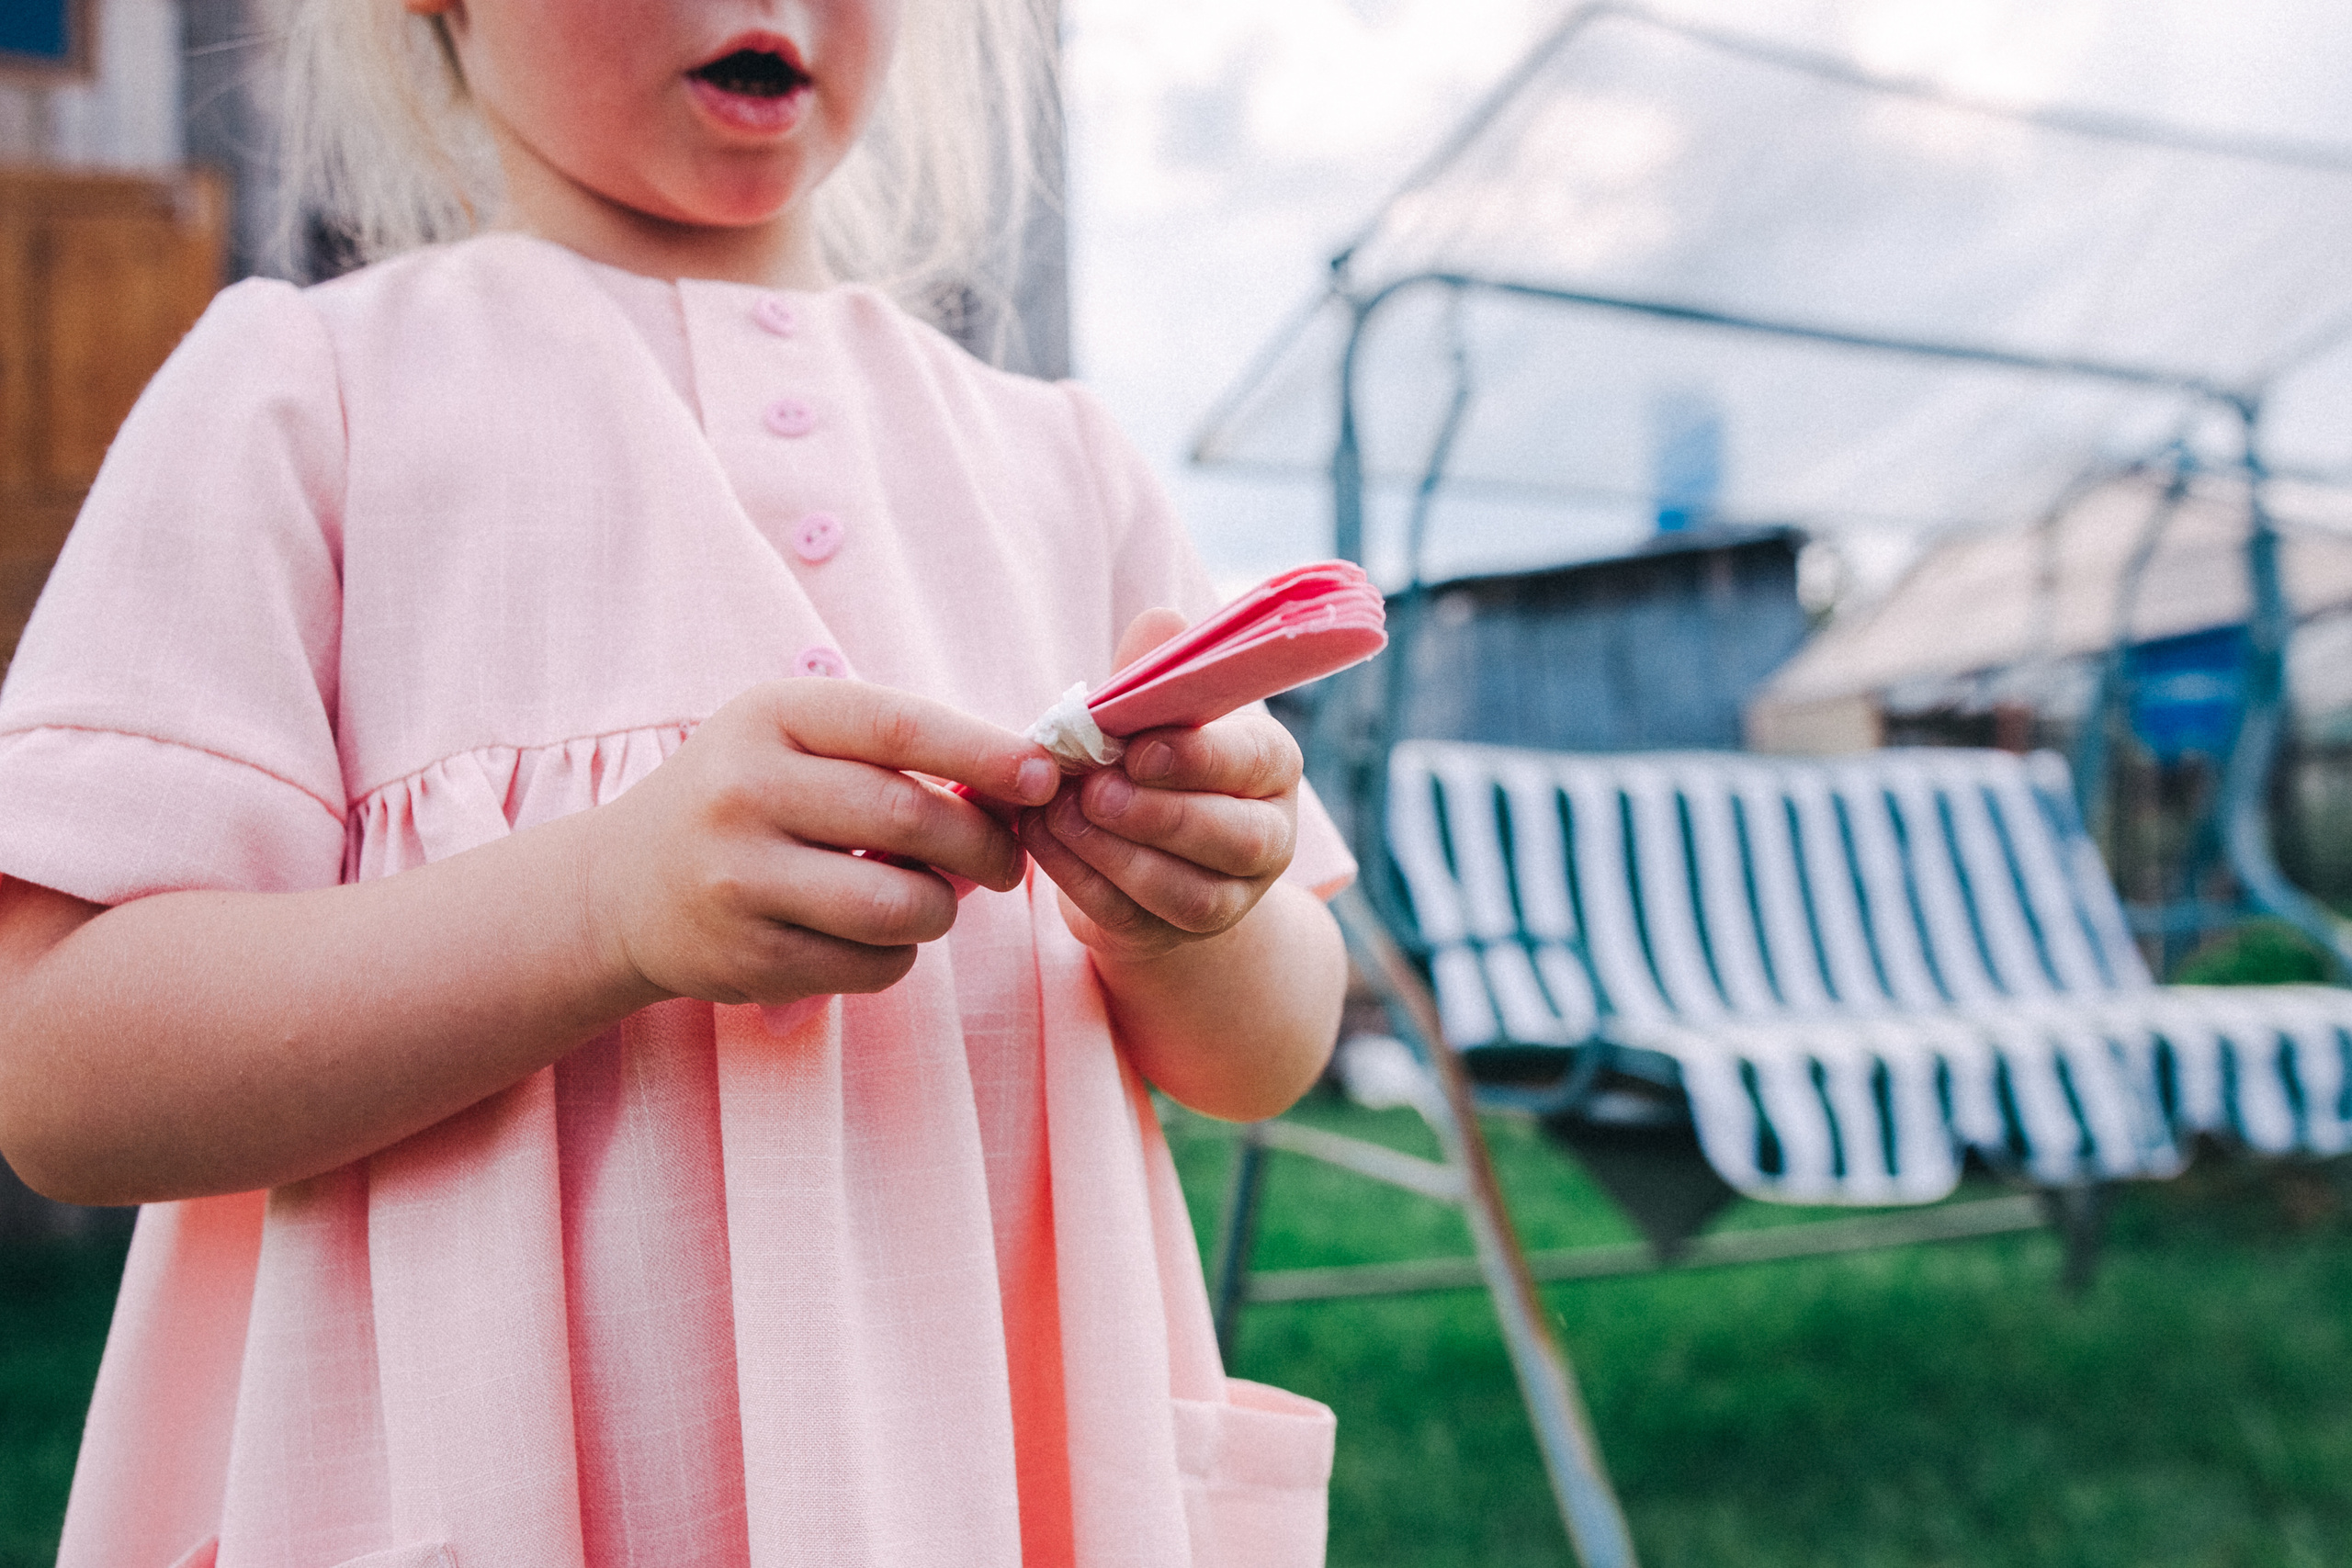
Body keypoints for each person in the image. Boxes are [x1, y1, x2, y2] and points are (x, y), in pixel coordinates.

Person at [0, 2, 1352, 1563]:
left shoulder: (1063, 467)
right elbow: (57, 1072)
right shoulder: (305, 396)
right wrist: (599, 904)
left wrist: (1194, 909)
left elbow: (1265, 1054)